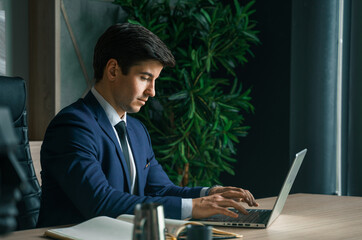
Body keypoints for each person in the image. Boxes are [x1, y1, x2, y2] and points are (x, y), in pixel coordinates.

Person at [37, 23, 258, 227]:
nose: (152, 91)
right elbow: (100, 202)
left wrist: (209, 193)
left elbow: (161, 189)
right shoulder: (72, 126)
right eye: (145, 78)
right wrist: (194, 207)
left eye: (155, 80)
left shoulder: (137, 130)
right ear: (113, 70)